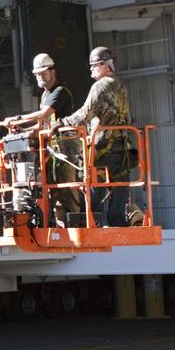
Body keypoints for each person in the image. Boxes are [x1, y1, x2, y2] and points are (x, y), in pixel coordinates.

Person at [59, 46, 132, 226]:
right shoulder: (120, 86)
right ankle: (118, 224)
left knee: (93, 187)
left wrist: (62, 123)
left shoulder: (100, 86)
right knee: (119, 187)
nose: (91, 69)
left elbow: (85, 113)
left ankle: (92, 223)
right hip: (122, 146)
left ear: (106, 66)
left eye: (95, 65)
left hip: (104, 147)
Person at [3, 54, 78, 221]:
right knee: (51, 188)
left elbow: (44, 115)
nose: (40, 77)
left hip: (65, 148)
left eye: (43, 73)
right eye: (37, 74)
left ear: (53, 72)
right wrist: (22, 129)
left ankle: (76, 221)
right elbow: (42, 125)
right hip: (51, 149)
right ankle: (57, 221)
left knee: (67, 186)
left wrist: (18, 118)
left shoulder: (60, 92)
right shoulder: (45, 96)